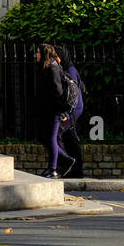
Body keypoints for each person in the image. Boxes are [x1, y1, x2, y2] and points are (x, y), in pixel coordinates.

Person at [34, 42, 74, 179]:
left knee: (51, 138)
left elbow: (58, 91)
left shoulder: (53, 68)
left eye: (38, 52)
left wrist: (61, 111)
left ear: (44, 53)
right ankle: (66, 159)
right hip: (47, 109)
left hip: (54, 110)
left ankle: (53, 168)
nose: (36, 54)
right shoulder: (46, 67)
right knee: (41, 136)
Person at [55, 43, 85, 177]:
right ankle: (76, 169)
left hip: (73, 108)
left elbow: (73, 93)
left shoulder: (70, 70)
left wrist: (68, 112)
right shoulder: (68, 68)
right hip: (74, 108)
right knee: (69, 137)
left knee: (58, 134)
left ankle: (65, 166)